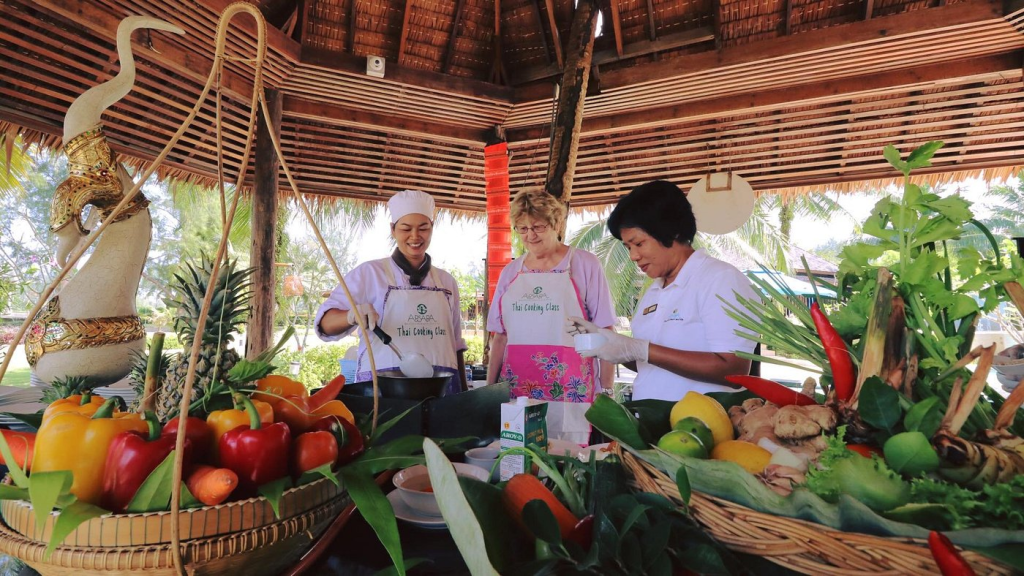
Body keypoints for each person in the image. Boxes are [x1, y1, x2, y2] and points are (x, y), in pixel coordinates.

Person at [566, 180, 758, 401]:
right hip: (654, 421)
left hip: (702, 422)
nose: (633, 256)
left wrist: (642, 349)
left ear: (671, 230)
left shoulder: (719, 279)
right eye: (628, 247)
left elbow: (734, 370)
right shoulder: (655, 291)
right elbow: (649, 365)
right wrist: (607, 344)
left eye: (639, 243)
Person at [486, 188, 616, 444]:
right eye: (523, 229)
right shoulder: (511, 272)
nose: (530, 235)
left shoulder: (584, 264)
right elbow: (499, 337)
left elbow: (605, 331)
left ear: (555, 224)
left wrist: (607, 390)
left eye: (538, 227)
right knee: (521, 455)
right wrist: (489, 392)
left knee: (570, 458)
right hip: (519, 389)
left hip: (571, 389)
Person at [315, 190, 467, 394]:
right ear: (393, 229)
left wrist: (465, 395)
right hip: (383, 389)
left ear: (432, 227)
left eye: (423, 228)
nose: (415, 236)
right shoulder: (369, 274)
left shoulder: (447, 281)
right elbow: (325, 324)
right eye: (406, 228)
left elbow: (455, 344)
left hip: (442, 389)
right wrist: (351, 316)